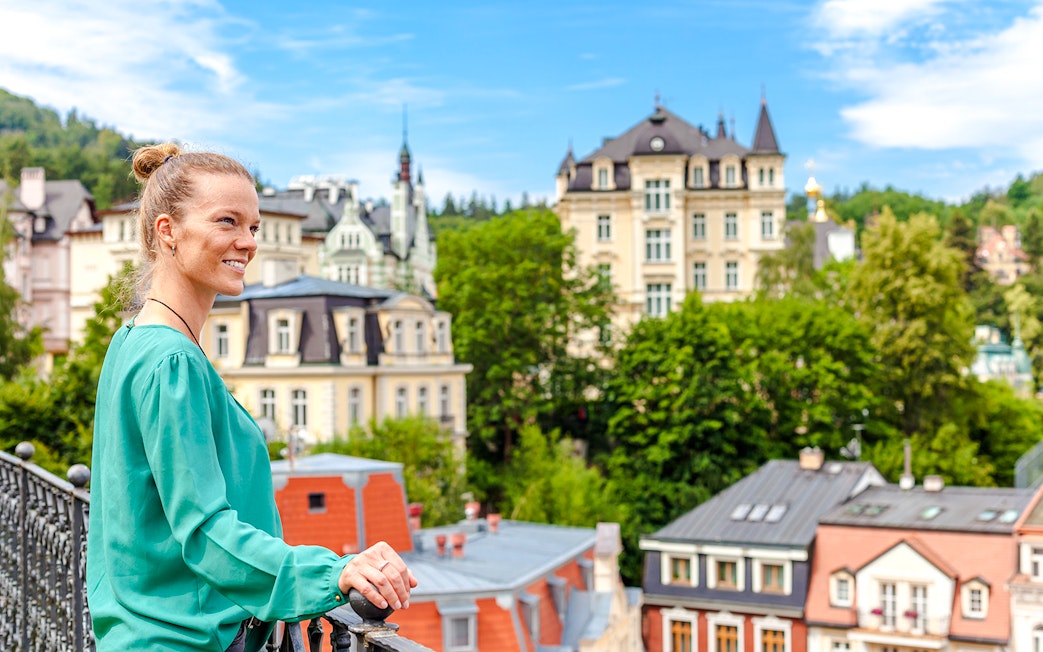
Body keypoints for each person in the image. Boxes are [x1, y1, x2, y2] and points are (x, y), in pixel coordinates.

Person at [85, 143, 417, 652]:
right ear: (167, 230)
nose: (247, 242)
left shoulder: (134, 338)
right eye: (227, 221)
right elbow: (204, 530)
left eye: (254, 226)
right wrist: (333, 573)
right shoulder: (169, 360)